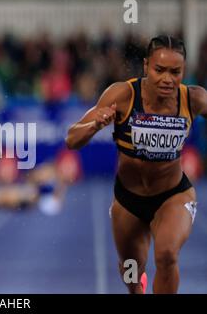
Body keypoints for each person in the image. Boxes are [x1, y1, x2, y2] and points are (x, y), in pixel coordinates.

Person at [65, 35, 207, 294]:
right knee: (132, 270)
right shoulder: (123, 94)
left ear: (184, 70)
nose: (167, 79)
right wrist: (95, 125)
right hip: (129, 200)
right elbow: (72, 138)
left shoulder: (193, 98)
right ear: (145, 66)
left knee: (166, 255)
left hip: (173, 195)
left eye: (175, 72)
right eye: (159, 70)